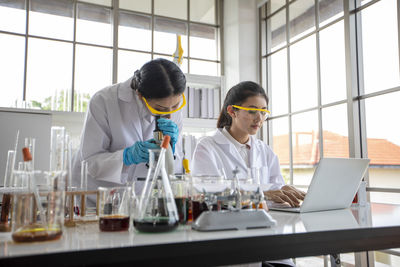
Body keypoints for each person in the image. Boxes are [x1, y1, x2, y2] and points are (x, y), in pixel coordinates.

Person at [192, 81, 305, 267]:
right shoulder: (207, 147)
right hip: (227, 241)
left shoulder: (264, 150)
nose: (259, 118)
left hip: (268, 237)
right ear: (232, 111)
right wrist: (261, 194)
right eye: (252, 111)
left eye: (263, 111)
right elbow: (208, 196)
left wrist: (284, 191)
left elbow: (276, 193)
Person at [72, 58, 186, 200]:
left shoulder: (171, 106)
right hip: (98, 199)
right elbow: (90, 163)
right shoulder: (104, 101)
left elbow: (174, 170)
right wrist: (127, 156)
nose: (169, 114)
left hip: (144, 198)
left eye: (175, 106)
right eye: (160, 108)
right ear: (140, 95)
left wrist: (171, 151)